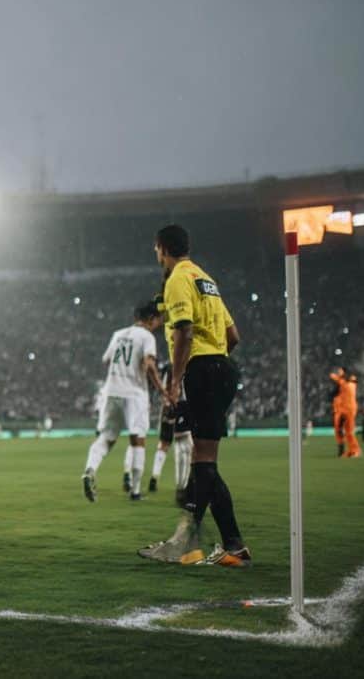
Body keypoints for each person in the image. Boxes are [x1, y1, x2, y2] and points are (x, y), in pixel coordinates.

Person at [139, 224, 248, 567]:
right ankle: (228, 546)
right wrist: (216, 358)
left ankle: (186, 544)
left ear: (161, 249)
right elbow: (233, 335)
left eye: (156, 250)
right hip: (222, 368)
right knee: (205, 461)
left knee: (204, 463)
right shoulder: (206, 278)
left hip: (201, 370)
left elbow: (184, 330)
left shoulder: (177, 279)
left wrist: (177, 379)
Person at [82, 301, 165, 502]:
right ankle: (135, 492)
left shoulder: (118, 334)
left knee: (106, 438)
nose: (160, 323)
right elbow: (149, 364)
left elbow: (106, 359)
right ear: (151, 319)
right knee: (138, 439)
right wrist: (163, 391)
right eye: (158, 319)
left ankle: (90, 470)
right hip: (135, 393)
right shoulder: (147, 337)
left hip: (112, 391)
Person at [148, 362, 194, 507]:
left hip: (168, 404)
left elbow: (162, 385)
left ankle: (155, 476)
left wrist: (166, 402)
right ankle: (182, 488)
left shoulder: (169, 366)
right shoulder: (186, 364)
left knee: (164, 444)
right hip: (181, 404)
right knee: (185, 443)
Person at [330, 367, 362, 458]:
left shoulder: (349, 382)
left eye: (340, 371)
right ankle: (348, 450)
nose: (339, 372)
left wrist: (337, 377)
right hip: (342, 409)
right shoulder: (342, 384)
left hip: (349, 409)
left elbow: (352, 380)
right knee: (340, 430)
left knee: (349, 431)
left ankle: (355, 451)